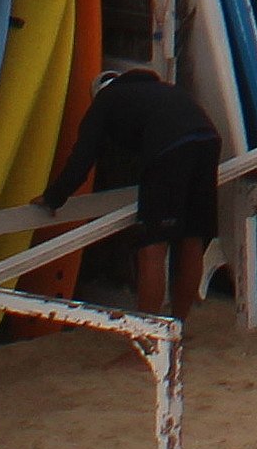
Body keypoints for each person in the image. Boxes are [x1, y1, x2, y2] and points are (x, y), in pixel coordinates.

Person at [43, 46, 222, 320]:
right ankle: (178, 327)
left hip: (170, 148)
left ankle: (148, 334)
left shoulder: (105, 100)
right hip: (207, 140)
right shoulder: (159, 91)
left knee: (153, 244)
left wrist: (53, 198)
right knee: (191, 239)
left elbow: (82, 157)